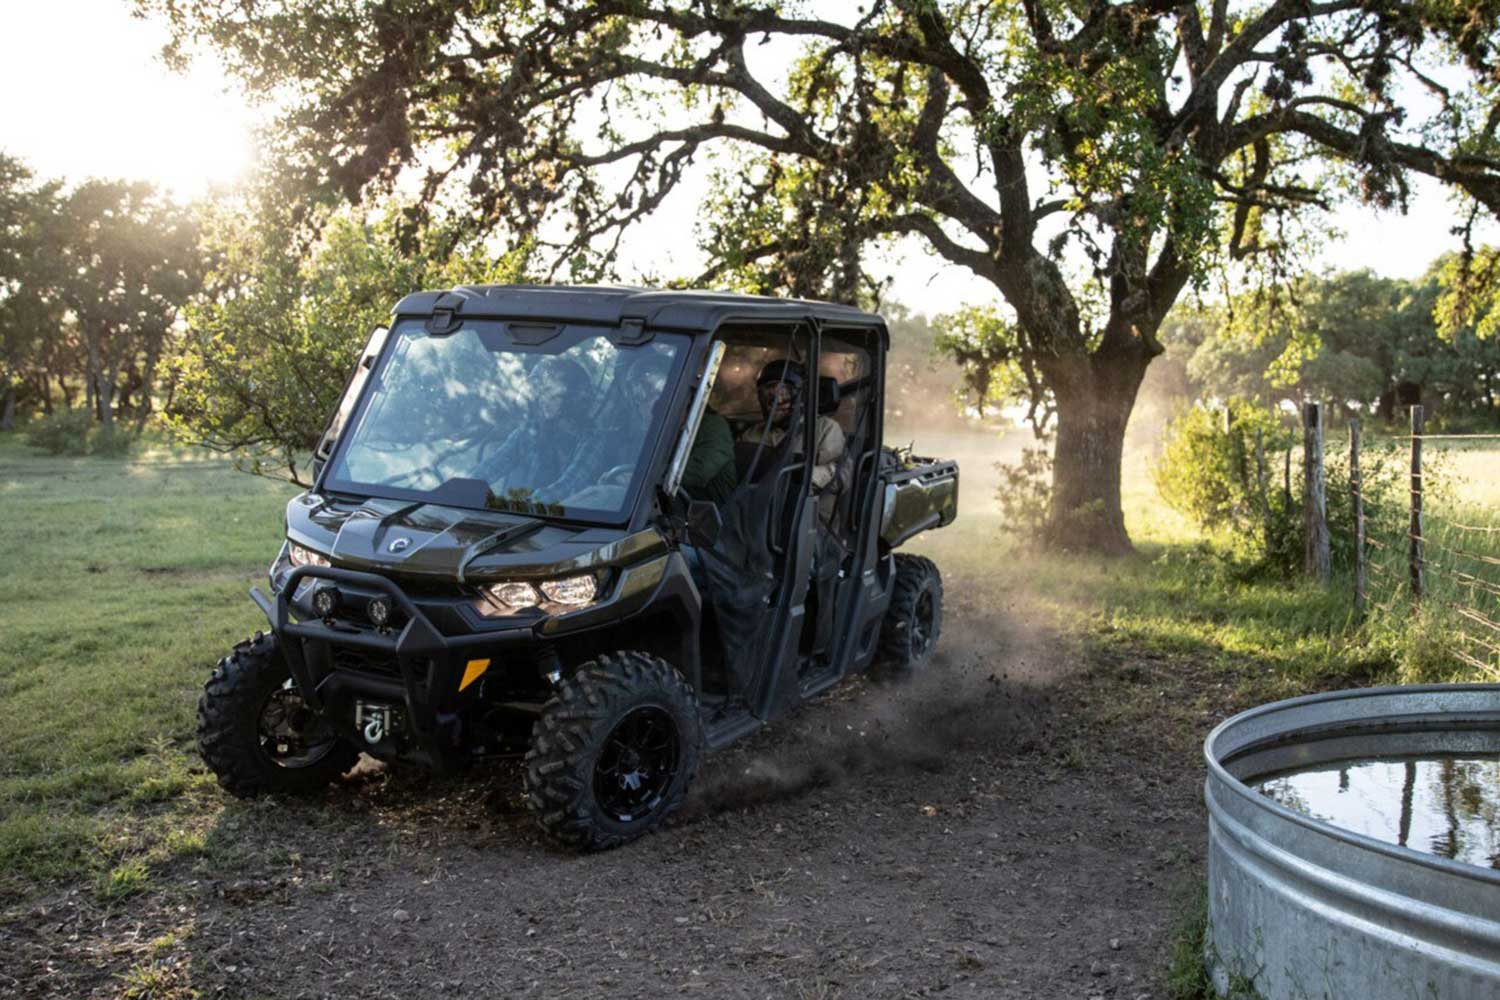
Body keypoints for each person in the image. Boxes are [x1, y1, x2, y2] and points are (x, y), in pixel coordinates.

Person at [740, 359, 847, 520]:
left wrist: (807, 476)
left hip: (807, 524)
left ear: (800, 395)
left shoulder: (824, 428)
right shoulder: (752, 434)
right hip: (759, 518)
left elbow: (843, 475)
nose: (774, 401)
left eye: (783, 392)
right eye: (767, 392)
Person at [478, 355, 592, 494]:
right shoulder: (531, 430)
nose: (544, 400)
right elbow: (494, 464)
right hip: (513, 512)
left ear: (574, 400)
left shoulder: (591, 438)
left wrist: (515, 508)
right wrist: (463, 485)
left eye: (556, 396)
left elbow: (568, 486)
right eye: (544, 392)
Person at [680, 405, 737, 504]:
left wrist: (661, 472)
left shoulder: (714, 426)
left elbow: (700, 471)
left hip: (716, 509)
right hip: (686, 502)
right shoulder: (680, 428)